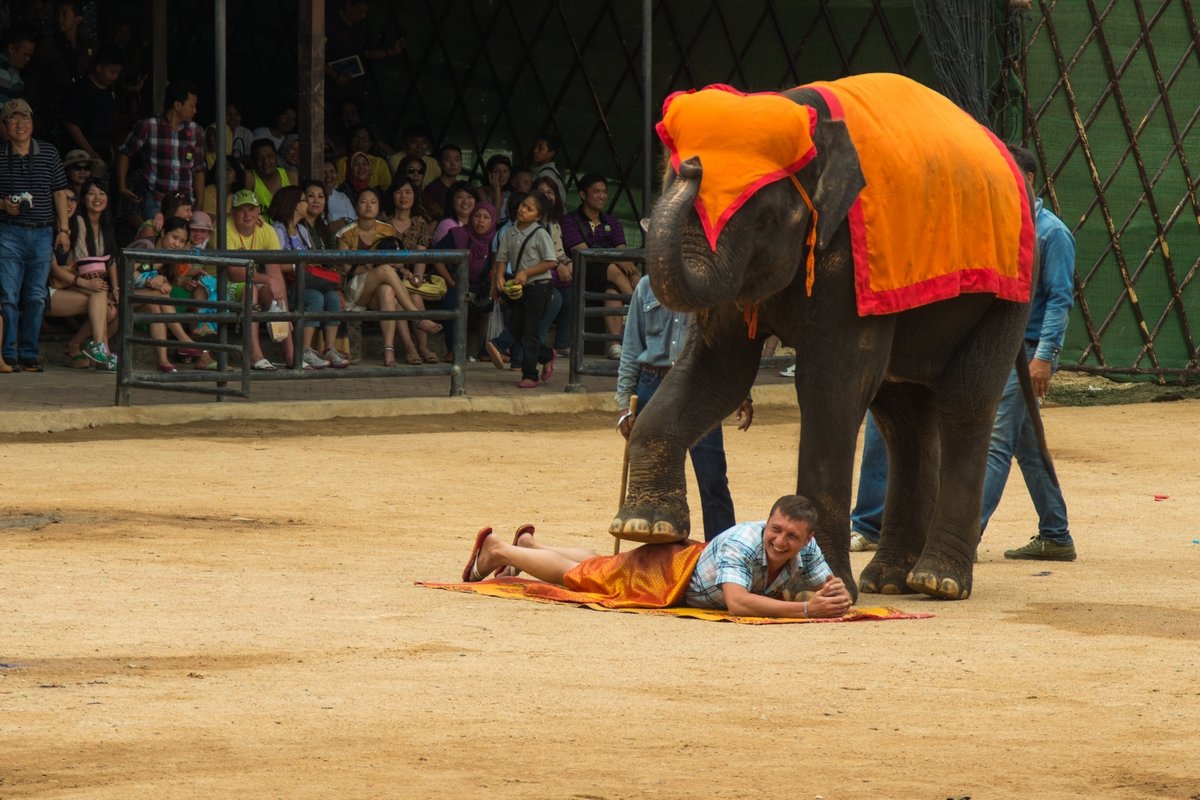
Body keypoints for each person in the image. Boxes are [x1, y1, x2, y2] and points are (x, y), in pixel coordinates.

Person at [847, 145, 1077, 564]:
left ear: (1023, 181)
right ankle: (1056, 533)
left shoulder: (1051, 233)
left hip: (1021, 348)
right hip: (983, 344)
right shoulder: (982, 219)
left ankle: (960, 537)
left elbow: (1061, 300)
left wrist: (1044, 356)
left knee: (993, 441)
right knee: (1025, 445)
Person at [461, 494, 853, 619]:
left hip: (682, 568)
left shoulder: (808, 546)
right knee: (583, 576)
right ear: (766, 522)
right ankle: (498, 548)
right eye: (776, 530)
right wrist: (806, 611)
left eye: (792, 537)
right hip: (669, 574)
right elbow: (737, 603)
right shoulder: (742, 542)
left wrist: (837, 597)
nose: (781, 542)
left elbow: (831, 587)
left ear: (807, 539)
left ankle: (530, 549)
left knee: (600, 566)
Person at [615, 273, 751, 540]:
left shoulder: (713, 285)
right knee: (653, 481)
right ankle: (660, 555)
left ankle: (722, 549)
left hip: (700, 385)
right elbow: (631, 347)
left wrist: (741, 392)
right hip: (652, 381)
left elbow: (729, 345)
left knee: (712, 475)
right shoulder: (646, 286)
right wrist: (624, 405)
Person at [0, 97, 72, 372]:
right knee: (7, 294)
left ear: (33, 122)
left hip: (42, 232)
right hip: (8, 232)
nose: (21, 124)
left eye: (25, 118)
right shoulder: (0, 155)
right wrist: (3, 205)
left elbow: (59, 192)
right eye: (14, 119)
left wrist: (63, 229)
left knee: (36, 295)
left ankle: (29, 353)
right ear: (5, 125)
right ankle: (7, 354)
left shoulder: (49, 152)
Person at [268, 186, 346, 370]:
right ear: (295, 205)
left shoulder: (302, 230)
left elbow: (312, 257)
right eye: (304, 199)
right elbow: (275, 264)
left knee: (333, 298)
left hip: (306, 282)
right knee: (315, 298)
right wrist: (298, 264)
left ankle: (328, 348)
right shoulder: (277, 230)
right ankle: (304, 350)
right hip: (288, 287)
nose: (308, 203)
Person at [560, 173, 637, 359]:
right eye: (596, 192)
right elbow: (584, 252)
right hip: (583, 273)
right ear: (582, 194)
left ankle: (614, 345)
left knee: (614, 289)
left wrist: (624, 264)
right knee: (613, 269)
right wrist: (616, 259)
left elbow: (621, 251)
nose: (602, 196)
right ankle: (640, 306)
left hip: (609, 275)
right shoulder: (569, 220)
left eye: (604, 192)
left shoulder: (612, 221)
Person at [490, 191, 556, 388]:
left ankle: (530, 375)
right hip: (518, 288)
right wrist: (499, 277)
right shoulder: (509, 232)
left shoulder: (540, 233)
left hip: (539, 289)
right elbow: (501, 259)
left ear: (537, 216)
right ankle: (546, 355)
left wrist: (527, 272)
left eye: (529, 209)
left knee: (530, 331)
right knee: (518, 328)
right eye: (523, 205)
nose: (523, 210)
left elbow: (551, 262)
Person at [116, 80, 205, 223]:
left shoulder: (195, 130)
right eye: (192, 106)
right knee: (157, 241)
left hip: (185, 202)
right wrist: (121, 186)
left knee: (180, 243)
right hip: (156, 200)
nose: (195, 111)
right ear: (177, 105)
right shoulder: (149, 126)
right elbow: (125, 152)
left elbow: (199, 169)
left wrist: (199, 205)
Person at [224, 189, 290, 370]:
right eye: (241, 209)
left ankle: (291, 354)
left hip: (247, 281)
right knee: (252, 288)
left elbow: (276, 275)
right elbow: (233, 273)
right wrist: (267, 279)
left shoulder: (267, 230)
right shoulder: (225, 228)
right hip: (216, 284)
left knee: (273, 291)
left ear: (258, 211)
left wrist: (274, 288)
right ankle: (255, 355)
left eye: (251, 209)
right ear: (232, 212)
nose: (247, 214)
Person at [59, 45, 122, 170]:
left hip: (103, 152)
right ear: (99, 67)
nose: (114, 77)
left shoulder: (109, 90)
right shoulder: (80, 89)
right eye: (112, 72)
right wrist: (91, 153)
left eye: (117, 73)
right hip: (80, 155)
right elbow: (72, 124)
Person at [244, 137, 296, 211]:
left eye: (270, 157)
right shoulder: (250, 177)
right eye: (259, 158)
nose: (265, 161)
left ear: (276, 158)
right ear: (253, 161)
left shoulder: (291, 177)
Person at [420, 143, 463, 220]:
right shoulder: (431, 190)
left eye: (457, 160)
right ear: (439, 162)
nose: (453, 164)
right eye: (447, 160)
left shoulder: (463, 187)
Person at [529, 132, 566, 203]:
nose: (535, 151)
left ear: (551, 153)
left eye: (540, 148)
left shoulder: (546, 175)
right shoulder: (549, 171)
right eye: (535, 147)